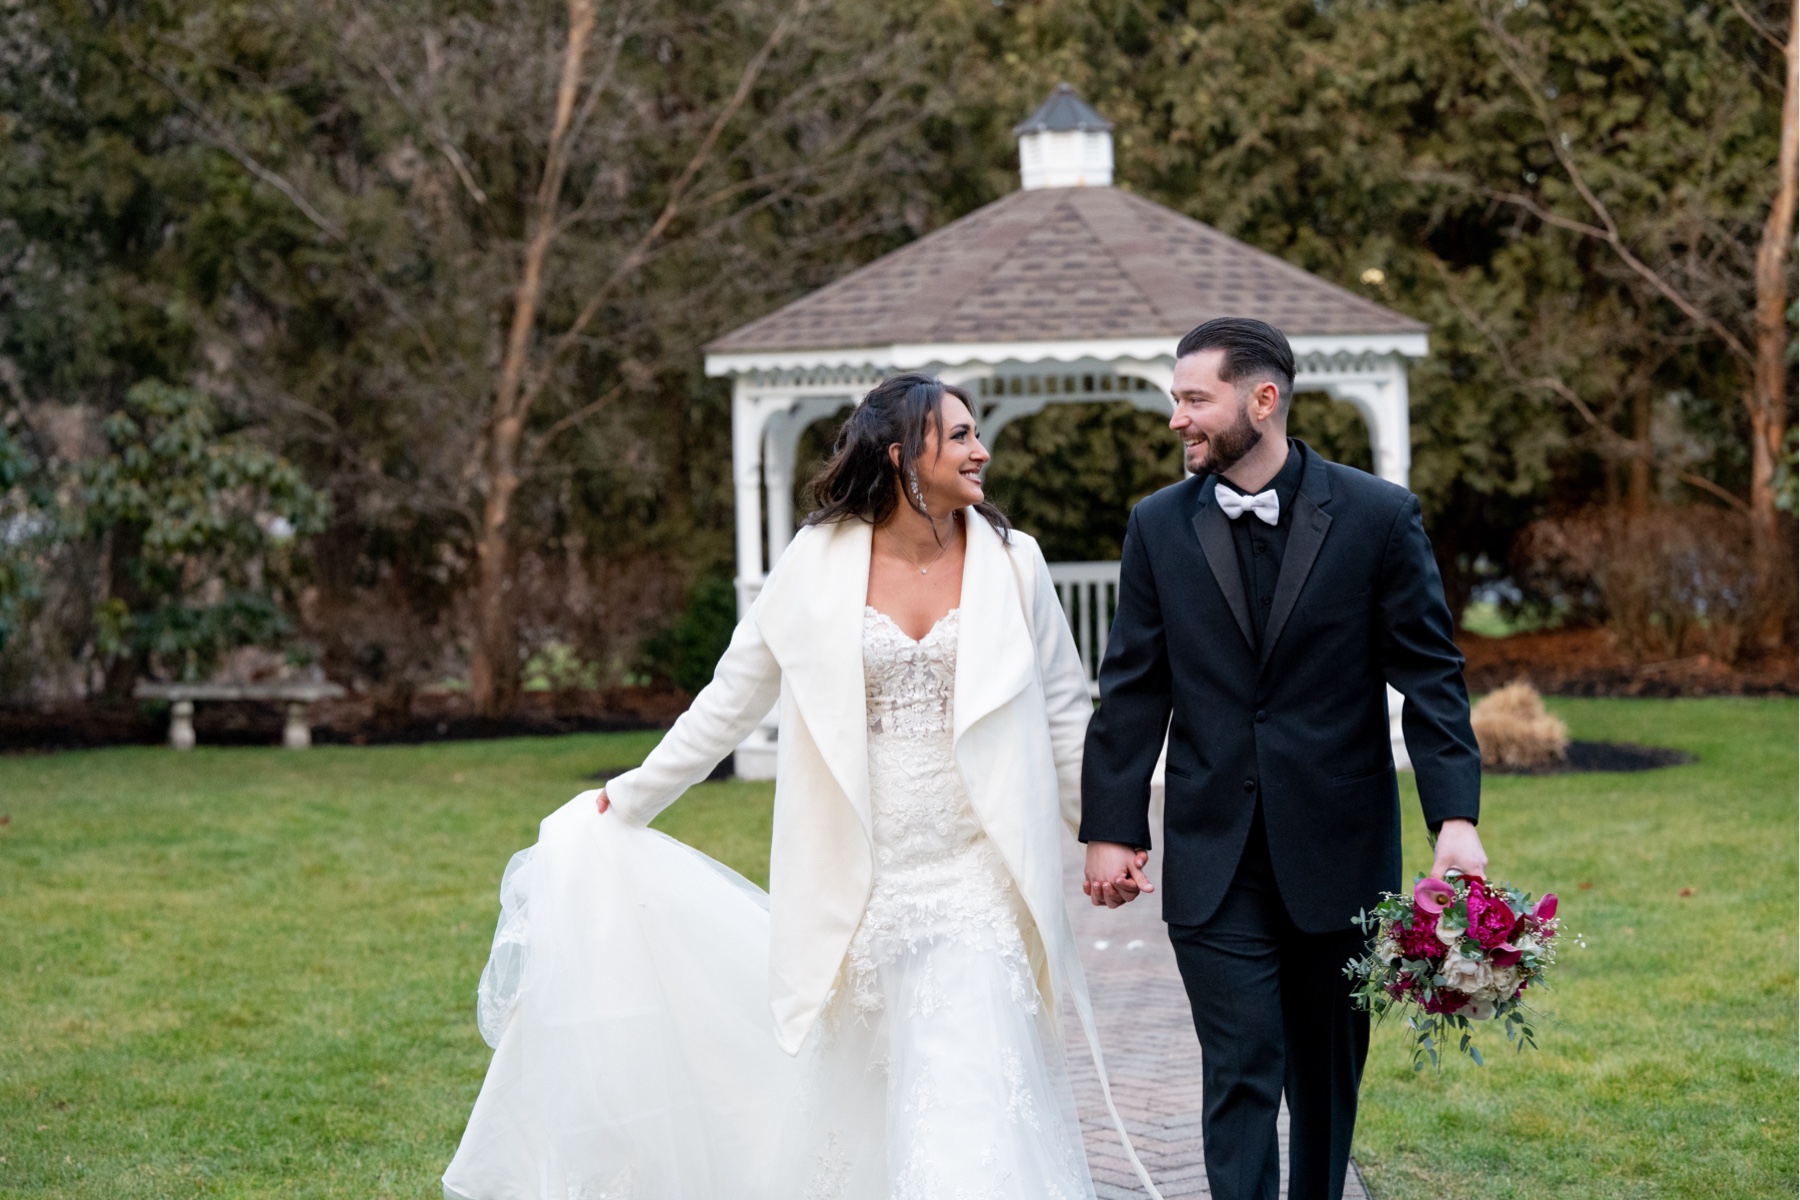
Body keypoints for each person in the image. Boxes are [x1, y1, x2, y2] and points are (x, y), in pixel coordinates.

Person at [443, 373, 1162, 1200]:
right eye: (959, 435)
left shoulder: (1015, 561)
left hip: (981, 873)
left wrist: (1108, 831)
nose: (981, 448)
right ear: (901, 456)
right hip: (860, 877)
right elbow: (733, 697)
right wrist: (634, 795)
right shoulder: (815, 564)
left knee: (970, 1100)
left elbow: (1069, 712)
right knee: (866, 1107)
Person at [1079, 318, 1487, 1200]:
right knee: (1241, 1068)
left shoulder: (1378, 518)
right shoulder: (1156, 526)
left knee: (1325, 1081)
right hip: (1214, 853)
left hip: (1339, 852)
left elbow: (1432, 677)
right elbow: (1134, 687)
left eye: (1195, 399)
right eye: (1176, 399)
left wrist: (1455, 819)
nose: (1178, 419)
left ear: (1261, 401)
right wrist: (1111, 827)